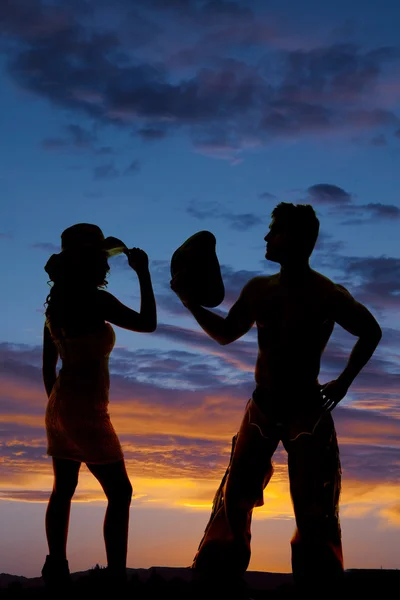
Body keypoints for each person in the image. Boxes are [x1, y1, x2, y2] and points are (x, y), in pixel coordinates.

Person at [171, 203, 382, 597]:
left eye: (275, 230)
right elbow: (226, 333)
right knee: (235, 498)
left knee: (313, 510)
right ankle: (220, 586)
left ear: (297, 239)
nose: (267, 237)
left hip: (307, 411)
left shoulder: (327, 294)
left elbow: (370, 331)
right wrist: (189, 303)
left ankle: (317, 591)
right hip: (262, 409)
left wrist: (344, 381)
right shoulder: (258, 289)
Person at [41, 223, 156, 590]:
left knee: (64, 487)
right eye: (102, 260)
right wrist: (144, 274)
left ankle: (56, 567)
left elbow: (48, 368)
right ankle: (117, 577)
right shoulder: (96, 301)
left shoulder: (56, 304)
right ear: (88, 263)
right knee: (120, 492)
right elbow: (148, 323)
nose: (108, 266)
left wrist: (60, 410)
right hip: (87, 410)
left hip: (60, 404)